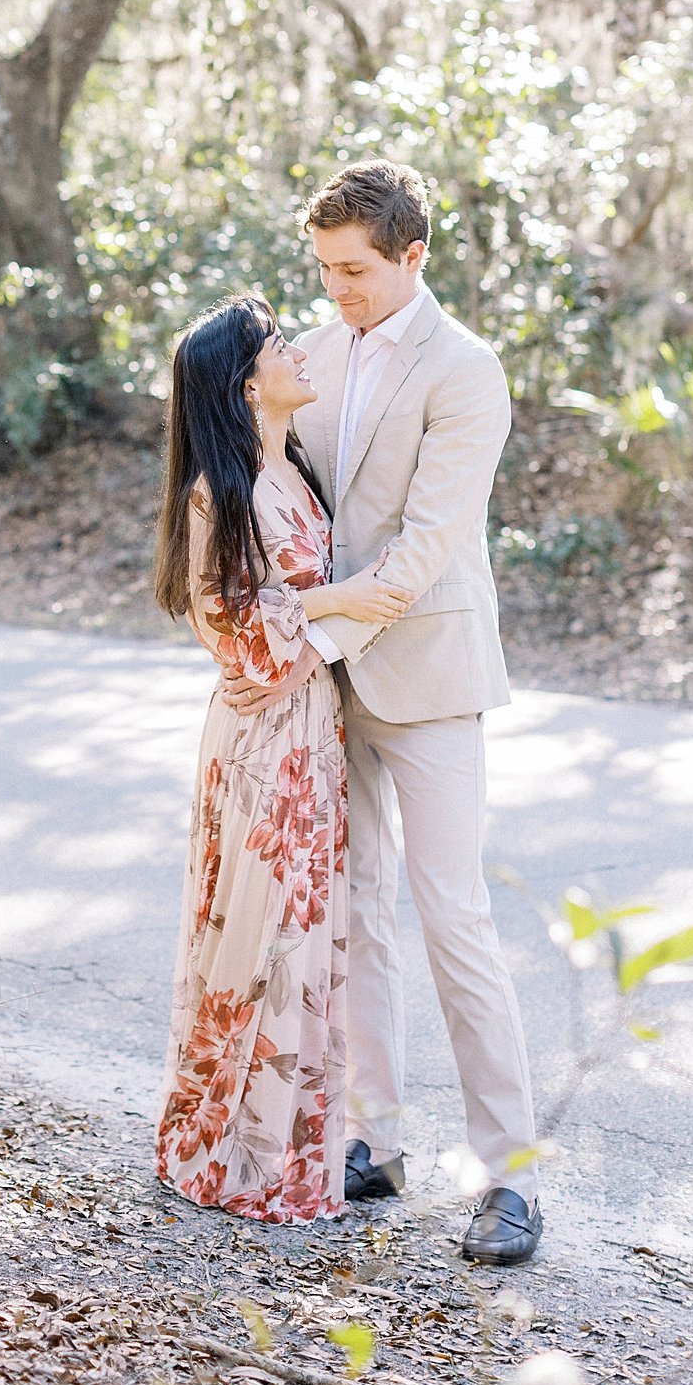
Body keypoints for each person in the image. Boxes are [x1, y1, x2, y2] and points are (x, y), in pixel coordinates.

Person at [220, 159, 543, 1264]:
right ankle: (375, 1137)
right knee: (352, 908)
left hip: (427, 669)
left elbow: (419, 551)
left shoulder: (467, 372)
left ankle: (509, 1175)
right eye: (323, 269)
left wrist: (304, 636)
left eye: (354, 270)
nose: (336, 289)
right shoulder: (317, 349)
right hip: (326, 689)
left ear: (414, 256)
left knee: (452, 912)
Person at [151, 294, 414, 1221]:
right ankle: (234, 1148)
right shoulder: (215, 494)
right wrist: (348, 601)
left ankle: (293, 1147)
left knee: (303, 935)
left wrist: (330, 613)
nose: (297, 349)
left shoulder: (294, 479)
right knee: (257, 936)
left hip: (311, 729)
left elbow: (297, 621)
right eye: (274, 344)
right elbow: (239, 639)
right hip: (264, 738)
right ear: (244, 381)